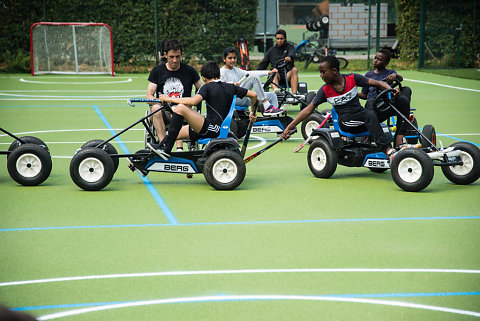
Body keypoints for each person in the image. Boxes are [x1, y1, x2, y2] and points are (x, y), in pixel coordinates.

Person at [282, 56, 398, 157]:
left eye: (323, 72)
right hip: (347, 122)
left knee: (394, 104)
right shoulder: (325, 90)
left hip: (361, 116)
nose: (321, 75)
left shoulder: (352, 78)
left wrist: (391, 90)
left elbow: (378, 83)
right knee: (369, 114)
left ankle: (402, 142)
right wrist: (289, 127)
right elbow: (308, 110)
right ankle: (388, 150)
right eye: (320, 72)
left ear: (334, 71)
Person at [147, 61, 257, 160]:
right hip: (217, 128)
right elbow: (254, 95)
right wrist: (253, 112)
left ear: (203, 78)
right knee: (173, 134)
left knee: (180, 108)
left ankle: (166, 149)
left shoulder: (207, 87)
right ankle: (164, 146)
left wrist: (169, 98)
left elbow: (193, 101)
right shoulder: (231, 87)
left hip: (212, 129)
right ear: (219, 75)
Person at [146, 39, 203, 151]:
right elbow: (149, 95)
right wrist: (159, 101)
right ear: (165, 55)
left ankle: (179, 147)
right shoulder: (157, 71)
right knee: (155, 108)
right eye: (171, 57)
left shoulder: (189, 71)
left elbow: (202, 88)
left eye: (177, 56)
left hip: (185, 110)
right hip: (164, 110)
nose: (175, 60)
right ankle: (164, 145)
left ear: (182, 55)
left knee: (178, 109)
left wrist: (195, 100)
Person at [358, 48, 412, 147]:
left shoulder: (390, 73)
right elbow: (364, 95)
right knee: (370, 101)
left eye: (379, 59)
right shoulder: (368, 75)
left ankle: (399, 136)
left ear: (386, 63)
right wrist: (354, 94)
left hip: (389, 102)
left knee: (406, 91)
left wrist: (394, 75)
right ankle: (374, 135)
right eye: (375, 58)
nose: (375, 60)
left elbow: (400, 79)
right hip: (375, 106)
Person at [221, 46, 284, 116]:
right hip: (233, 100)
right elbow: (219, 86)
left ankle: (275, 118)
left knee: (272, 95)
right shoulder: (222, 71)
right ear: (224, 59)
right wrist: (231, 84)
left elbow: (251, 72)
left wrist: (269, 72)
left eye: (234, 58)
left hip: (243, 99)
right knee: (253, 77)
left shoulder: (236, 70)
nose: (233, 60)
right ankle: (266, 106)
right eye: (230, 58)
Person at [257, 29, 299, 94]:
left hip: (287, 75)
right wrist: (254, 73)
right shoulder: (271, 50)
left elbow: (292, 53)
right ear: (276, 39)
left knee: (294, 70)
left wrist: (289, 57)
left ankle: (294, 94)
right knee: (274, 71)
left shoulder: (290, 47)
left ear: (285, 38)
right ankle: (276, 91)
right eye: (278, 39)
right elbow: (263, 64)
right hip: (276, 76)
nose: (279, 40)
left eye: (281, 39)